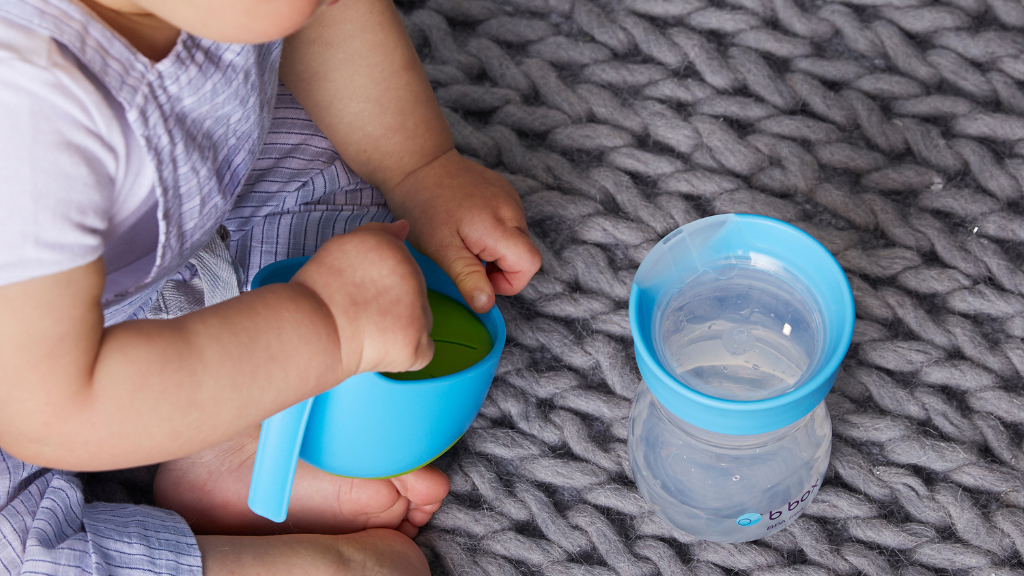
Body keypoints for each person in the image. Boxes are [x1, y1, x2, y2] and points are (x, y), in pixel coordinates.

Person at [0, 0, 541, 574]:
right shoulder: (27, 117)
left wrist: (419, 168)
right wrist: (323, 325)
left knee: (337, 184)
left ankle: (240, 443)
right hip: (36, 389)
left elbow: (329, 16)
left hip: (140, 237)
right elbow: (56, 410)